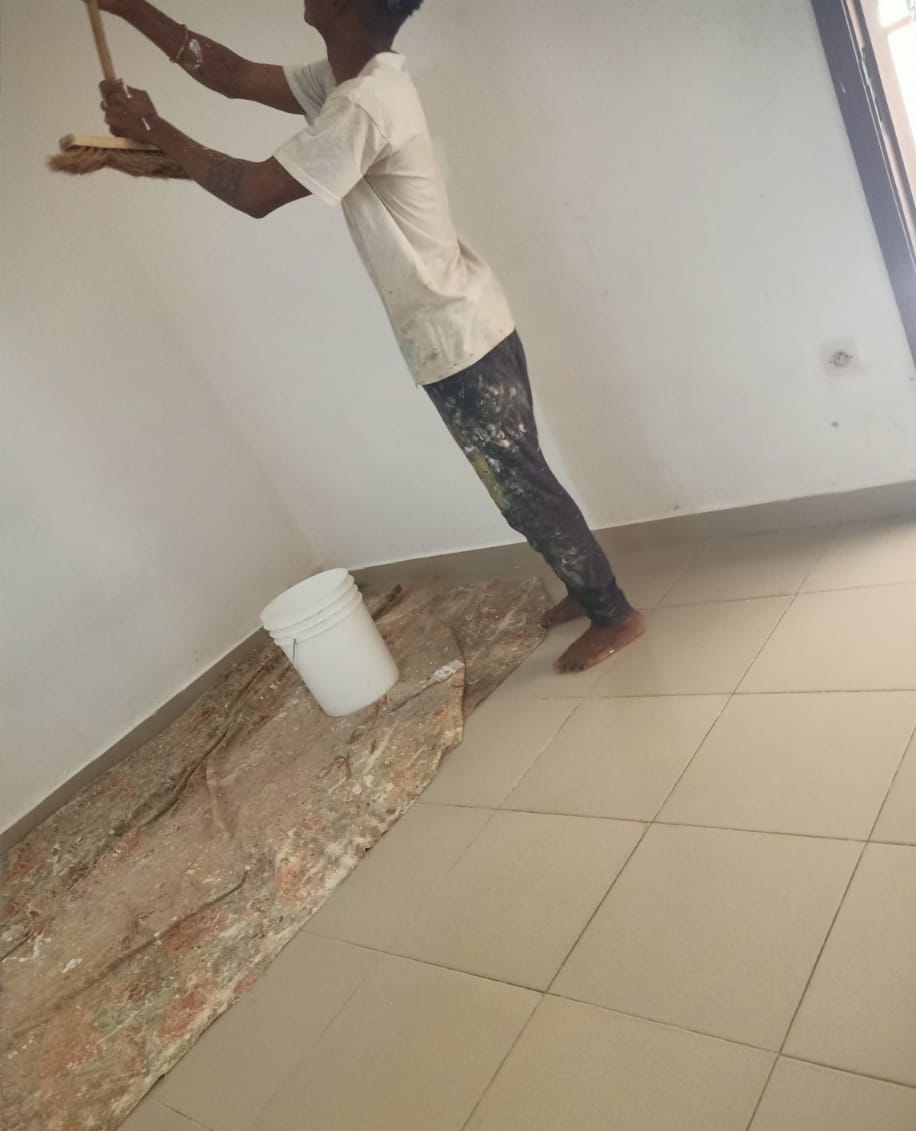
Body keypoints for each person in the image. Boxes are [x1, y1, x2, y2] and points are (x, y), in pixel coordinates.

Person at [95, 0, 645, 671]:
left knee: (521, 490)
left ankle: (614, 614)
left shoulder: (363, 104)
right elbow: (231, 74)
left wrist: (155, 129)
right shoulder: (349, 80)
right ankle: (587, 589)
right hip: (467, 317)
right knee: (522, 481)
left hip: (458, 337)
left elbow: (256, 192)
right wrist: (130, 8)